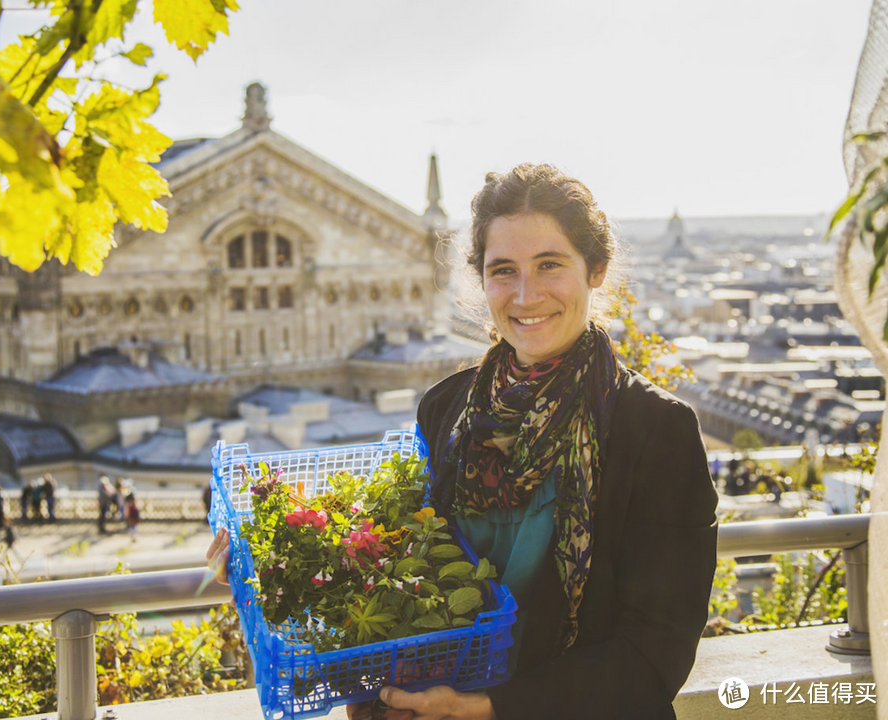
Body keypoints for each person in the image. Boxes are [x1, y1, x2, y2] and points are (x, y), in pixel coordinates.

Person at [207, 163, 718, 720]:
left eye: (550, 265)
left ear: (595, 269)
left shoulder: (655, 429)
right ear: (481, 280)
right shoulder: (446, 407)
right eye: (503, 270)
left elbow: (654, 656)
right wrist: (273, 566)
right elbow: (398, 573)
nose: (526, 294)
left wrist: (486, 707)